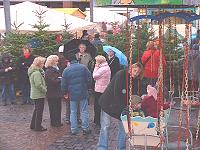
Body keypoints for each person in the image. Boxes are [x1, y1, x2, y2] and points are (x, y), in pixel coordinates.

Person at [97, 63, 144, 150]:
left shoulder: (135, 80)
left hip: (121, 106)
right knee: (105, 126)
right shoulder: (121, 74)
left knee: (123, 128)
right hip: (108, 103)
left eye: (138, 72)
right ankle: (102, 147)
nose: (136, 73)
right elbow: (117, 92)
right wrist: (124, 108)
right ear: (131, 68)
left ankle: (121, 148)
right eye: (135, 70)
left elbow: (133, 95)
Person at [61, 53, 92, 135]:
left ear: (69, 61)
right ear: (76, 59)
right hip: (83, 92)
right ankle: (85, 128)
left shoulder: (66, 70)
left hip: (72, 93)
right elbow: (89, 79)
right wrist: (87, 87)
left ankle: (74, 129)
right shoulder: (83, 67)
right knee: (84, 111)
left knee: (73, 111)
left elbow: (63, 84)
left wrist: (64, 93)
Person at [28, 56, 47, 132]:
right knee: (39, 111)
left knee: (36, 110)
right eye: (42, 63)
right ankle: (38, 126)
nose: (43, 64)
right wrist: (45, 90)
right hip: (38, 94)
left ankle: (33, 125)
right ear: (39, 64)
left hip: (35, 94)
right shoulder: (37, 73)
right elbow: (38, 85)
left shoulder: (34, 71)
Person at [92, 55, 111, 127]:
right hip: (104, 88)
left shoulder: (102, 69)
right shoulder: (106, 67)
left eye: (96, 61)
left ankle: (98, 120)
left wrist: (96, 67)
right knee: (101, 105)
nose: (95, 62)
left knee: (97, 105)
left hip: (100, 89)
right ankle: (99, 120)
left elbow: (94, 76)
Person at [45, 55, 63, 127]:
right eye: (56, 61)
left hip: (55, 92)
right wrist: (60, 79)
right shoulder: (50, 70)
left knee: (57, 108)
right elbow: (52, 81)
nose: (57, 62)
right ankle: (55, 122)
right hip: (52, 92)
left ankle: (57, 121)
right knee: (54, 108)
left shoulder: (54, 69)